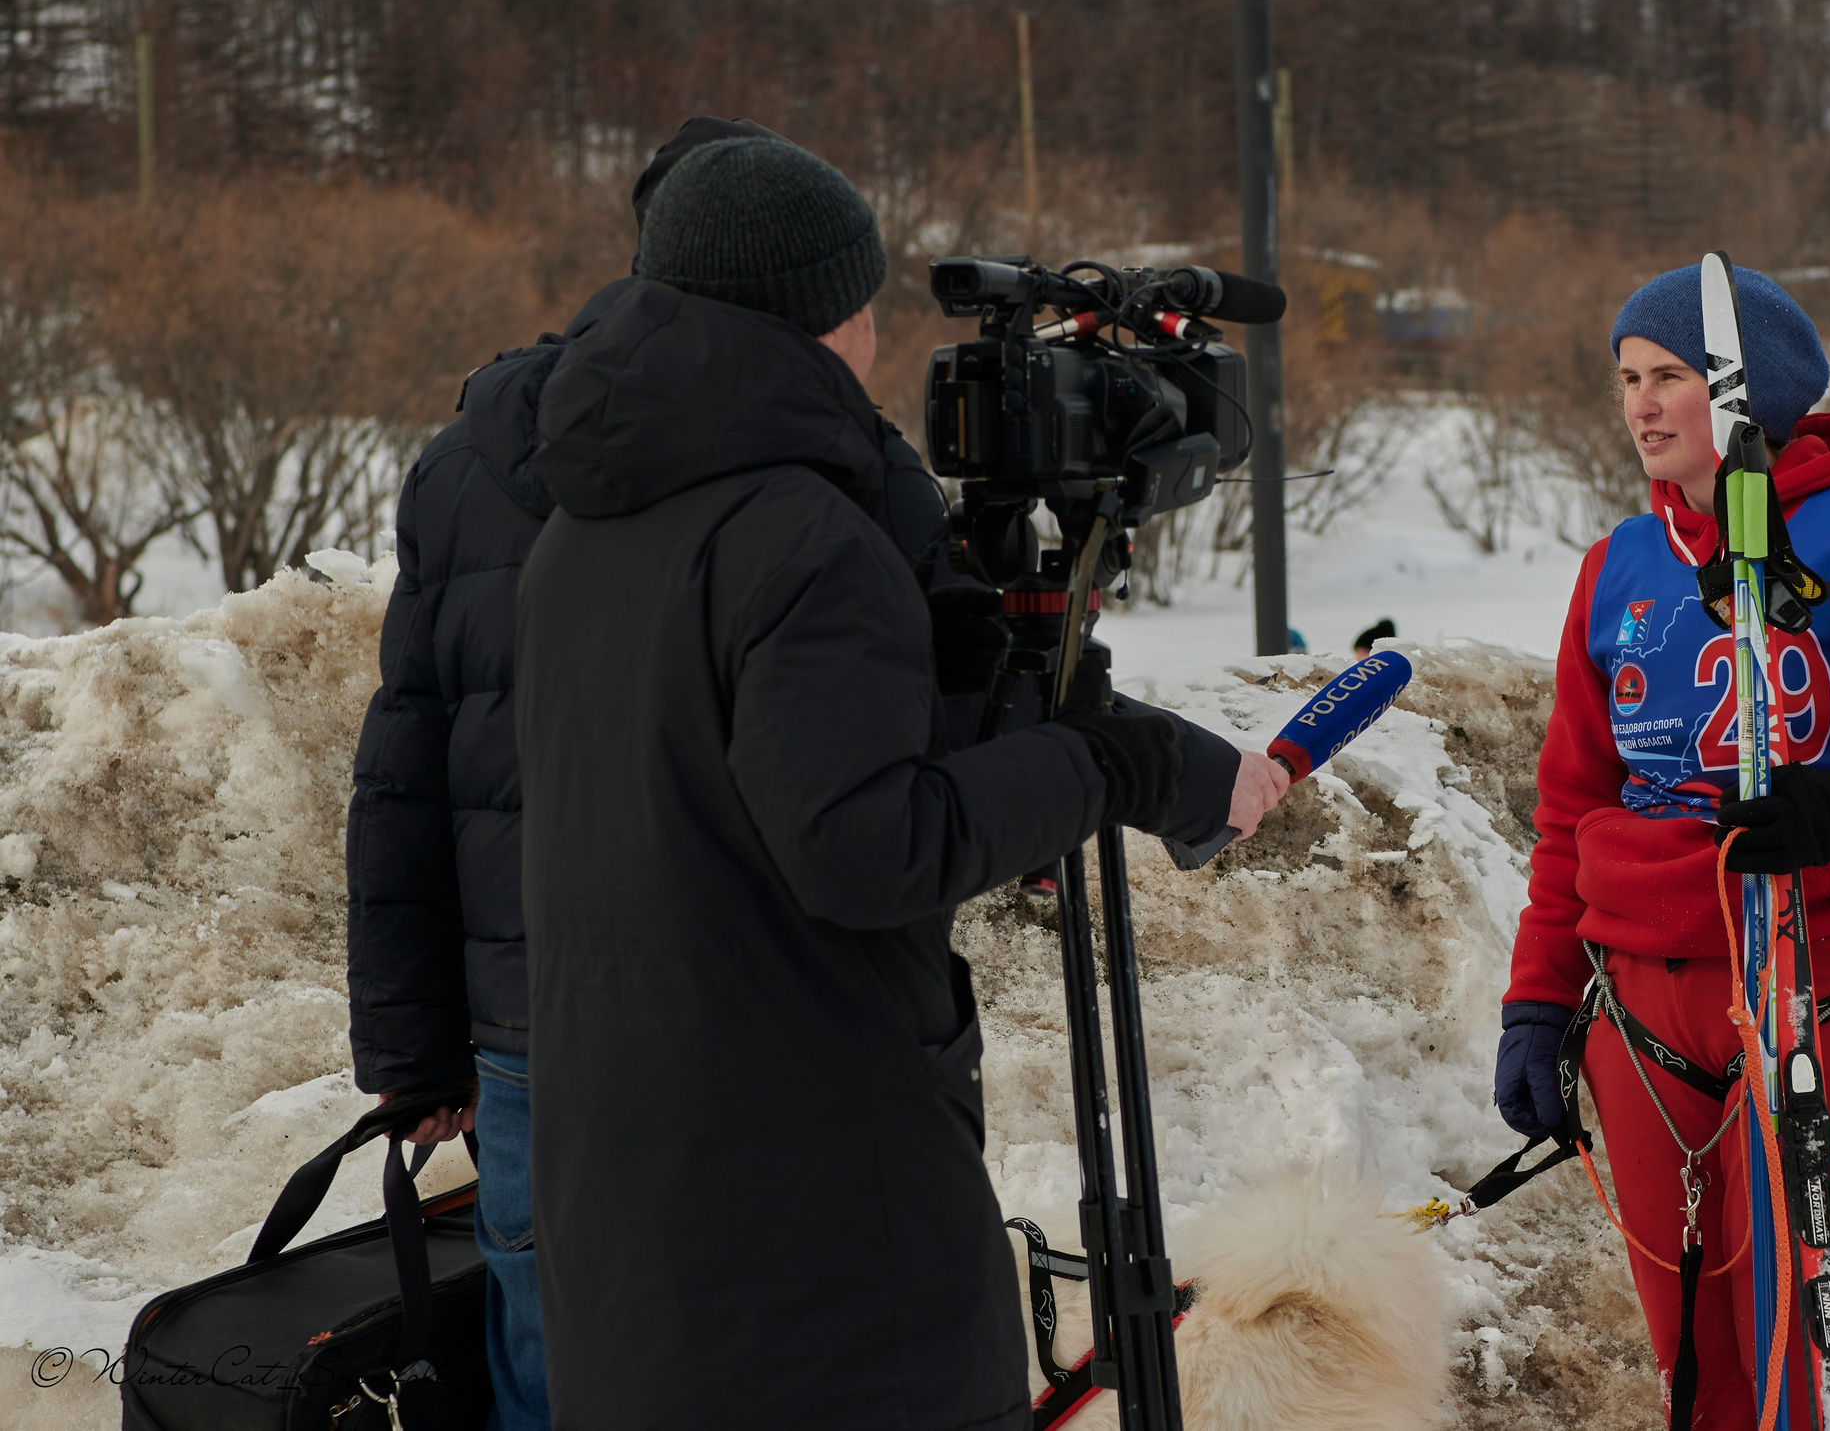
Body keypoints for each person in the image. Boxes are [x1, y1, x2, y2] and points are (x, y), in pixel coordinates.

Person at [513, 136, 1289, 1430]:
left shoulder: (584, 525)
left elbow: (748, 786)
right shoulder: (803, 536)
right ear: (829, 312)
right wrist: (1108, 764)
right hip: (822, 1241)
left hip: (631, 1221)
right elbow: (868, 844)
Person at [345, 114, 823, 1429]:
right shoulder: (791, 459)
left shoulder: (465, 462)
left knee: (553, 1366)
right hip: (736, 1020)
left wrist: (411, 1041)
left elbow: (405, 770)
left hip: (525, 1033)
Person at [1493, 263, 1830, 1429]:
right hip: (1639, 1002)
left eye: (1668, 375)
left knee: (1802, 1338)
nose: (1639, 406)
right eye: (1627, 379)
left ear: (1741, 392)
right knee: (1692, 1358)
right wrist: (1537, 1003)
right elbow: (1571, 806)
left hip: (1812, 983)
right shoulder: (1617, 567)